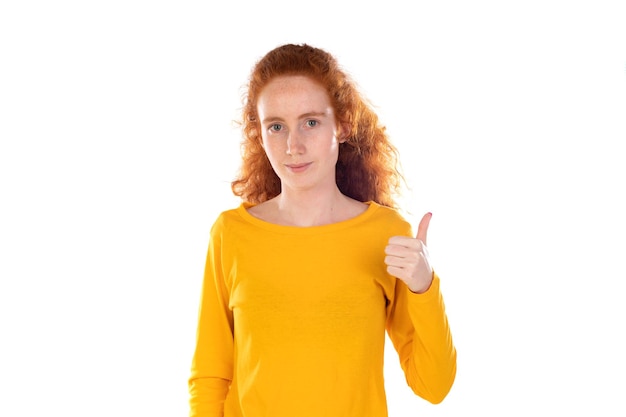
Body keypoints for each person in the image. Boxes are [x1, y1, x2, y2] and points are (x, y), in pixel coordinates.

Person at [188, 43, 456, 417]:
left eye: (310, 122)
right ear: (259, 135)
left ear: (342, 125)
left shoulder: (386, 234)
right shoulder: (231, 234)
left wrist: (424, 285)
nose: (293, 146)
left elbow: (434, 385)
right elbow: (210, 377)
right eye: (276, 126)